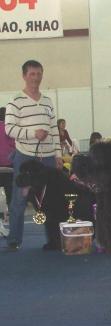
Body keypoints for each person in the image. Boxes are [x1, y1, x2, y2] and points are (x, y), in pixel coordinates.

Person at [4, 60, 63, 251]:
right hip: (25, 157)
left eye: (39, 74)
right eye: (32, 74)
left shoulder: (48, 101)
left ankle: (55, 239)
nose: (36, 78)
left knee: (53, 199)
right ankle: (14, 240)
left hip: (47, 158)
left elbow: (54, 129)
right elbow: (9, 129)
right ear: (24, 76)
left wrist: (58, 154)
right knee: (19, 199)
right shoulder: (15, 101)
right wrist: (32, 133)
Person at [0, 107, 15, 229]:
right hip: (9, 165)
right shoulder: (9, 128)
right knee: (10, 192)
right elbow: (15, 145)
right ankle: (11, 216)